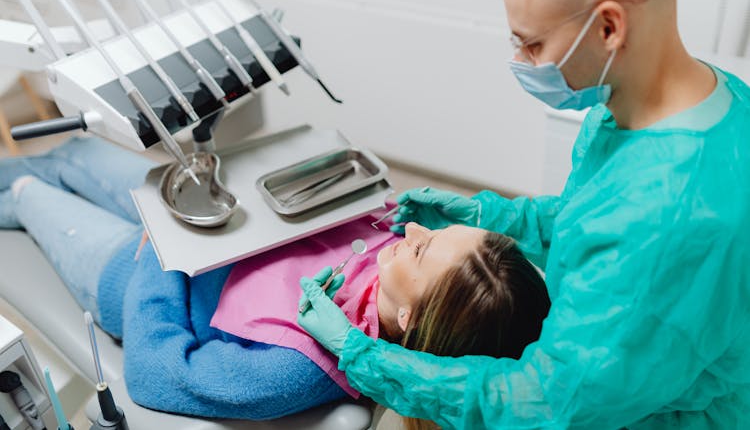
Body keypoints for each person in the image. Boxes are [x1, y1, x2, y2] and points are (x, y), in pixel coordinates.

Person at [297, 0, 750, 428]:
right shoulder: (693, 100)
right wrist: (493, 216)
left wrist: (363, 357)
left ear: (608, 27)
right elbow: (598, 215)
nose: (523, 63)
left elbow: (547, 402)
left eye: (533, 44)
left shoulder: (670, 212)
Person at [0, 135, 550, 421]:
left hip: (141, 272)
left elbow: (153, 372)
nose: (408, 234)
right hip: (204, 216)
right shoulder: (393, 243)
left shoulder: (294, 371)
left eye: (424, 248)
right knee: (78, 153)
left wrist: (163, 253)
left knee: (31, 196)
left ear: (408, 318)